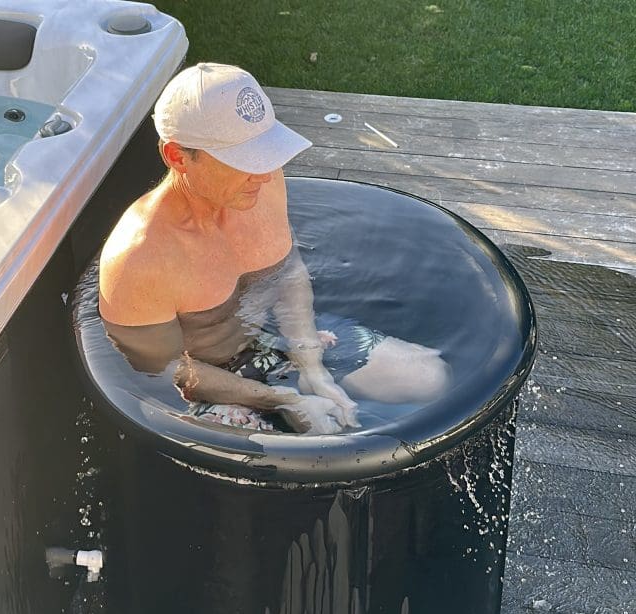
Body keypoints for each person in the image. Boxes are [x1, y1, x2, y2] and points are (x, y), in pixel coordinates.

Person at [98, 63, 449, 434]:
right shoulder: (138, 258)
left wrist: (310, 363)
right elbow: (165, 374)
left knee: (430, 376)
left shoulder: (260, 184)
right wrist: (284, 400)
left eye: (265, 153)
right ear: (177, 156)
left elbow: (289, 273)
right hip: (211, 381)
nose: (265, 174)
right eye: (244, 160)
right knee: (327, 449)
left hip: (273, 340)